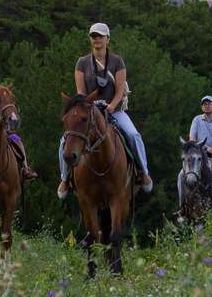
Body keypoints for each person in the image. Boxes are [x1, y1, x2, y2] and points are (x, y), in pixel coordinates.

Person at [57, 22, 153, 199]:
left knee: (133, 135)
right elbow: (81, 92)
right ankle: (65, 178)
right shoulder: (82, 62)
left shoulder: (117, 61)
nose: (97, 40)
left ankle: (143, 172)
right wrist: (89, 107)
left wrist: (111, 105)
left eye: (100, 36)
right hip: (89, 110)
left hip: (113, 109)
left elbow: (120, 91)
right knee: (65, 139)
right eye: (94, 36)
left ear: (107, 39)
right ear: (90, 39)